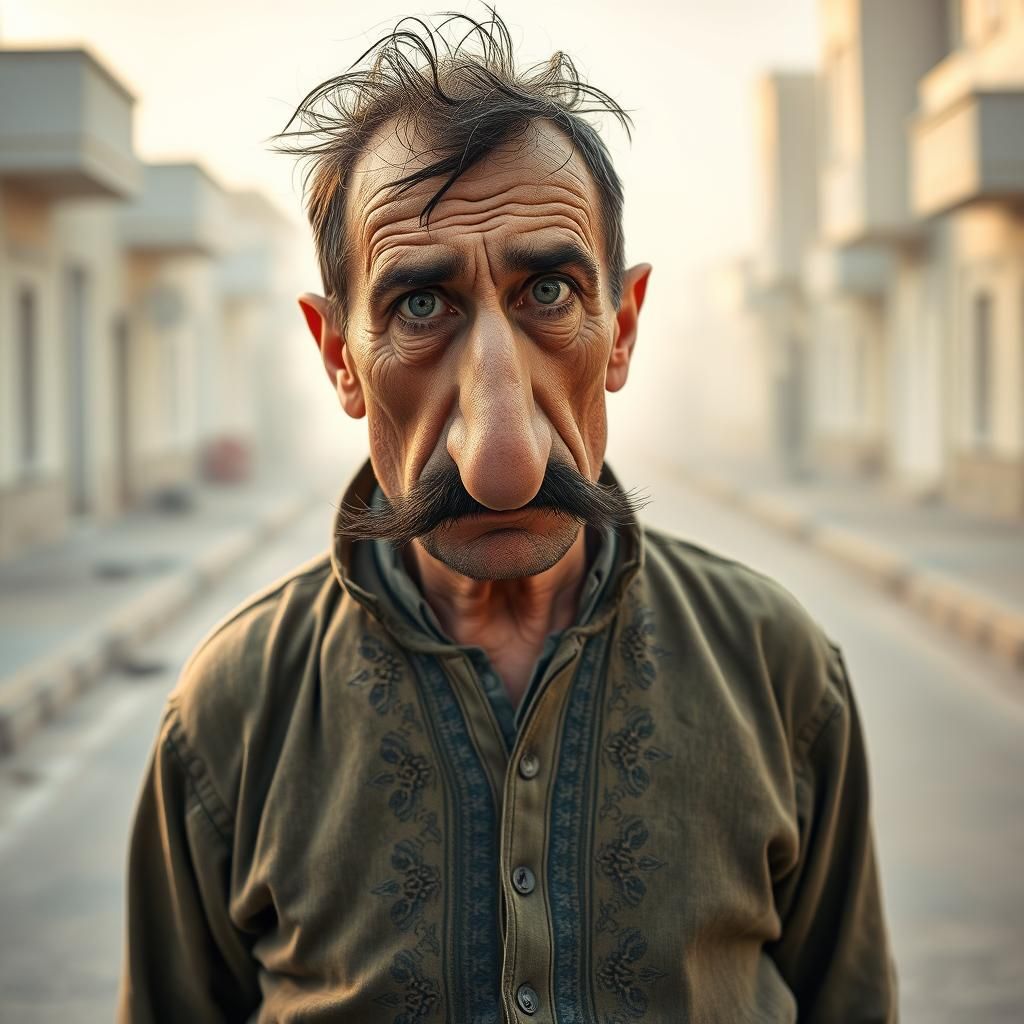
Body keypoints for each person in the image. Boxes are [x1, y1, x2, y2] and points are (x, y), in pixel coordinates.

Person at [117, 10, 897, 1023]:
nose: (501, 461)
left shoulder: (779, 670)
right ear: (336, 356)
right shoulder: (229, 715)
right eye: (419, 307)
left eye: (548, 292)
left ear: (620, 330)